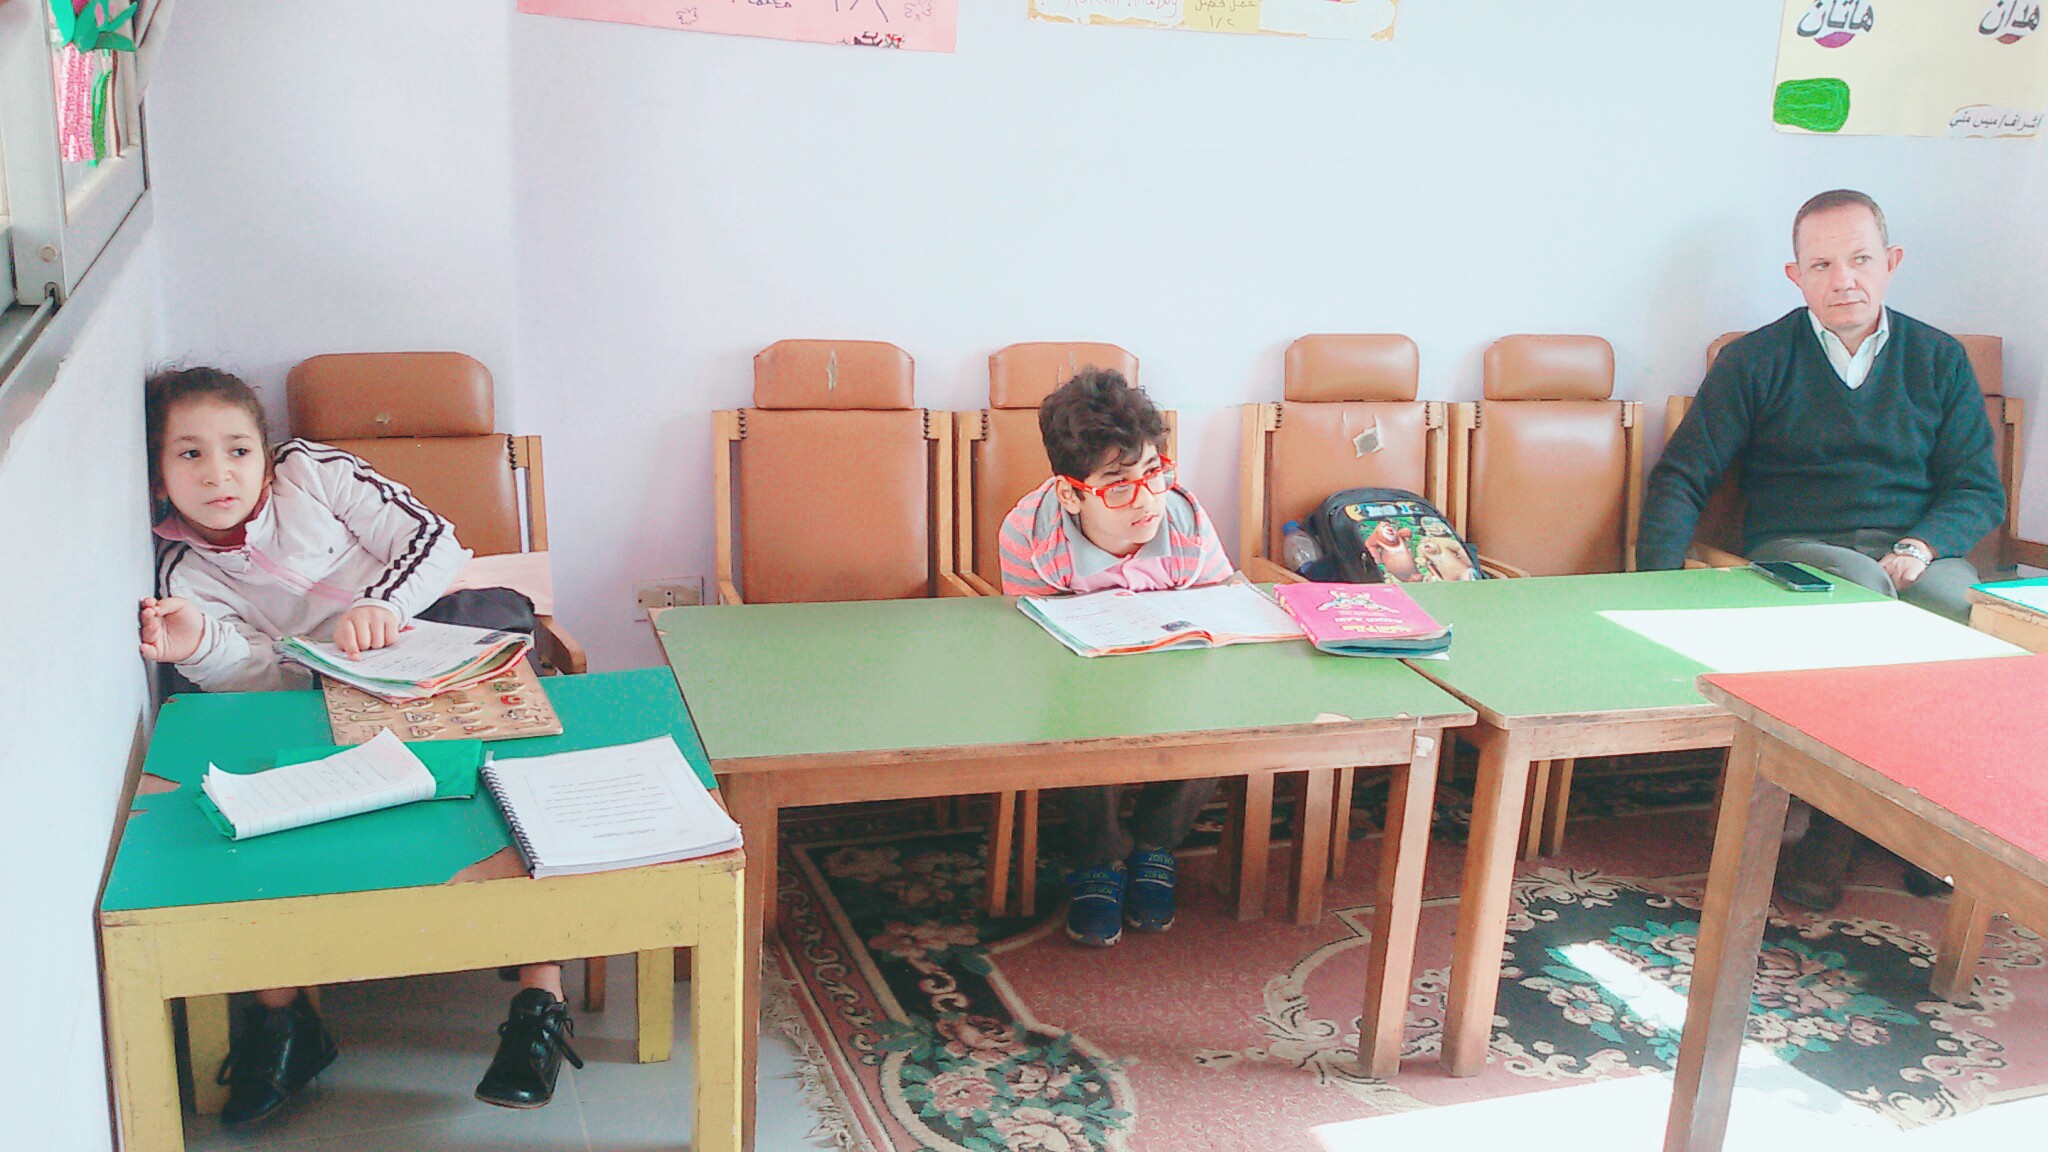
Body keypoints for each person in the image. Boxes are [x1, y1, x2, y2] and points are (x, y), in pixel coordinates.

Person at [138, 367, 581, 1123]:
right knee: (244, 766)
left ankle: (541, 999)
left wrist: (383, 606)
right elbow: (260, 673)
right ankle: (283, 1017)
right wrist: (201, 646)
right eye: (190, 455)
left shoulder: (312, 472)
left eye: (238, 450)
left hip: (433, 630)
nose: (218, 474)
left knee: (507, 774)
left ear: (266, 455)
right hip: (327, 691)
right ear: (158, 475)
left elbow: (435, 541)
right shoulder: (184, 571)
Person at [1638, 189, 2006, 910]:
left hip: (1917, 552)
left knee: (1960, 610)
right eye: (1822, 265)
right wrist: (1651, 584)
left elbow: (1976, 489)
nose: (1844, 280)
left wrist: (1925, 544)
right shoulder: (1755, 360)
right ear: (1795, 276)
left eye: (1860, 259)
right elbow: (1682, 475)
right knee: (1862, 594)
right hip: (1799, 548)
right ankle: (1843, 828)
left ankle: (1937, 824)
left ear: (1891, 262)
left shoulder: (1939, 359)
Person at [998, 369, 1234, 947]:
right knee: (1071, 713)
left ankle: (1156, 842)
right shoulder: (1032, 536)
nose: (1147, 498)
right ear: (1071, 493)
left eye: (1153, 472)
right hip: (1081, 677)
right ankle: (1099, 854)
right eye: (1118, 484)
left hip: (1172, 670)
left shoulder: (1185, 522)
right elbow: (1034, 645)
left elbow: (1222, 612)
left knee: (1224, 706)